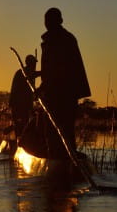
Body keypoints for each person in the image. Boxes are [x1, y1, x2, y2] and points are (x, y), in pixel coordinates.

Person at [39, 8, 91, 157]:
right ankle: (62, 155)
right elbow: (50, 69)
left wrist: (45, 87)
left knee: (58, 126)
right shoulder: (59, 39)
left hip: (62, 92)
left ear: (59, 21)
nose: (47, 23)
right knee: (59, 127)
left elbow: (58, 68)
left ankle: (63, 157)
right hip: (60, 91)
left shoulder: (61, 40)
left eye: (50, 20)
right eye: (46, 20)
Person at [9, 54, 40, 138]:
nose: (34, 65)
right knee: (21, 125)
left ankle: (21, 141)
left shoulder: (26, 73)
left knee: (24, 124)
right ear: (29, 63)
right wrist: (44, 72)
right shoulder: (23, 72)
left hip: (23, 105)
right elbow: (33, 74)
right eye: (33, 63)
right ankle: (18, 140)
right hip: (18, 104)